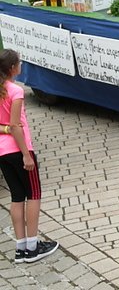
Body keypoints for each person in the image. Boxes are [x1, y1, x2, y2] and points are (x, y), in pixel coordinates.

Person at [0, 49, 59, 264]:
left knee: (17, 196)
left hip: (2, 152)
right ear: (13, 68)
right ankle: (33, 246)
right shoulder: (15, 91)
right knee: (34, 194)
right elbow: (16, 125)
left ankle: (20, 247)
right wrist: (27, 155)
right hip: (19, 149)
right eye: (20, 63)